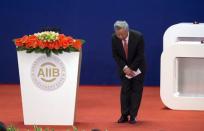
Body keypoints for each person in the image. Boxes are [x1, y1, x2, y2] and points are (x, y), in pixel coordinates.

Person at [112, 20, 146, 124]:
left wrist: (131, 68)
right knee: (125, 91)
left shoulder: (138, 36)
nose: (121, 37)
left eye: (122, 34)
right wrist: (125, 68)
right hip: (124, 70)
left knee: (136, 91)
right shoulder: (114, 38)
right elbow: (116, 55)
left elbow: (140, 55)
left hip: (138, 69)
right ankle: (124, 115)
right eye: (118, 34)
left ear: (127, 30)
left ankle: (133, 116)